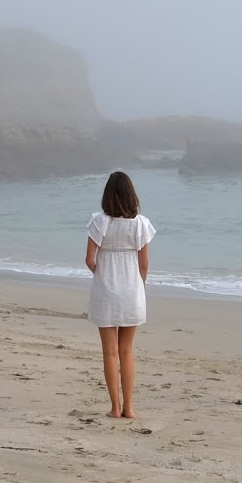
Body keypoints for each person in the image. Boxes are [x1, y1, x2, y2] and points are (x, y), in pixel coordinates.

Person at [84, 170, 155, 419]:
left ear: (107, 195)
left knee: (110, 352)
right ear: (131, 195)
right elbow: (144, 265)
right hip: (132, 291)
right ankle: (129, 408)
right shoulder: (141, 224)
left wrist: (102, 275)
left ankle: (114, 408)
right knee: (127, 351)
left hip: (105, 290)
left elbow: (89, 260)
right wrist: (138, 286)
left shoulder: (99, 222)